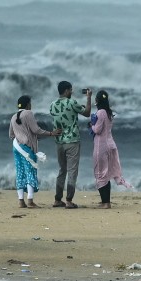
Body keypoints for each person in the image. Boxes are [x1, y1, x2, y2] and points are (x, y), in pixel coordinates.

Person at [8, 95, 60, 209]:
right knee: (30, 172)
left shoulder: (13, 117)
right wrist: (51, 133)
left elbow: (11, 135)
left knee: (20, 173)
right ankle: (30, 201)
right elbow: (36, 130)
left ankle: (21, 201)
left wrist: (22, 136)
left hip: (16, 147)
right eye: (30, 103)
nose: (31, 105)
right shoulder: (28, 113)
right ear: (27, 104)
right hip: (27, 148)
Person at [49, 80, 92, 209]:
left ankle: (57, 199)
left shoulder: (52, 105)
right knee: (72, 171)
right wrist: (89, 98)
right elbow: (87, 113)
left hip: (59, 142)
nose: (72, 92)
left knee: (62, 170)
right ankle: (68, 200)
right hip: (72, 140)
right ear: (67, 90)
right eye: (71, 90)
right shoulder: (72, 103)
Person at [90, 90, 129, 209]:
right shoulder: (108, 112)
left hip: (101, 146)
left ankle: (105, 202)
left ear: (97, 101)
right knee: (106, 174)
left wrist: (91, 125)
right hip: (110, 143)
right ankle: (106, 201)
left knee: (100, 173)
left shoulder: (100, 112)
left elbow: (97, 130)